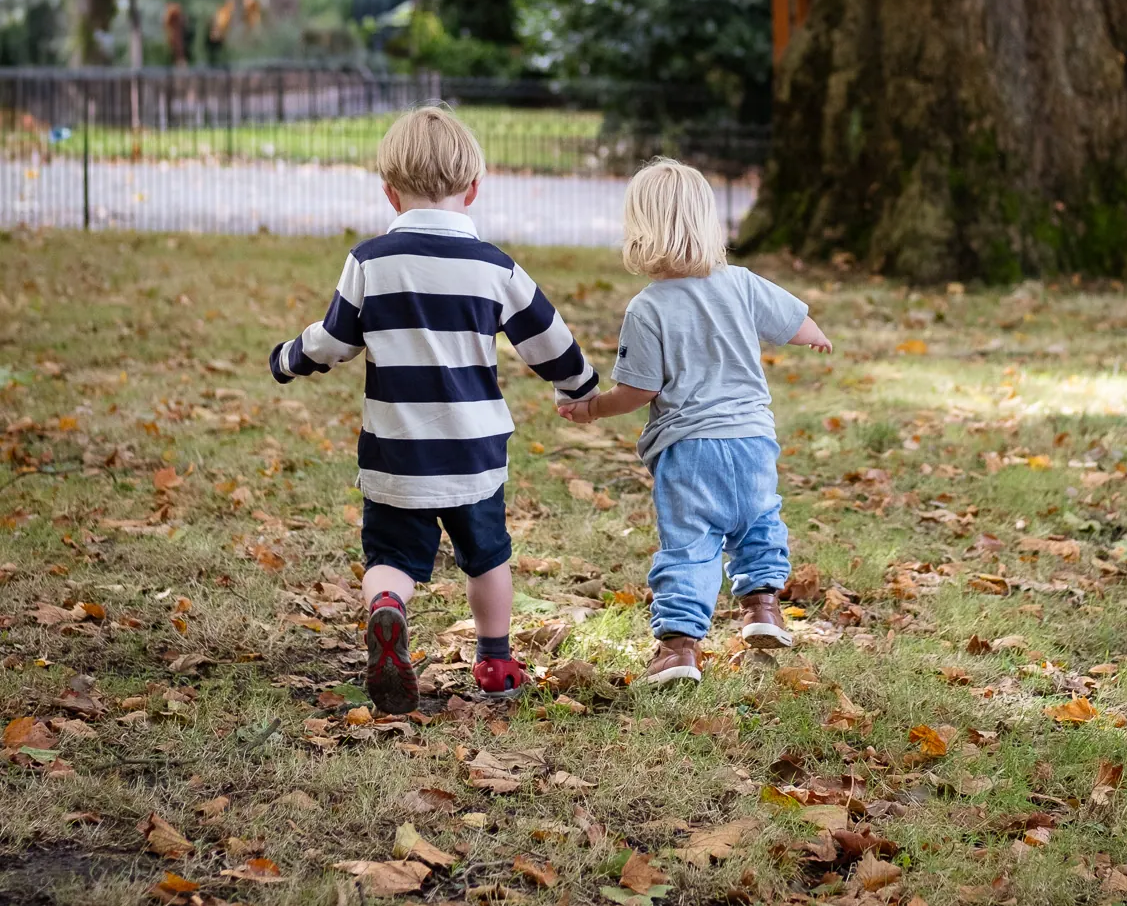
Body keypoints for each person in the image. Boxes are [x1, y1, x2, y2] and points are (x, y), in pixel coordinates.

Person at [268, 104, 597, 711]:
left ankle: (388, 608)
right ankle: (496, 661)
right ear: (474, 188)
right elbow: (549, 339)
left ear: (390, 194)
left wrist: (291, 357)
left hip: (397, 452)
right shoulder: (493, 267)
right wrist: (579, 387)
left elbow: (337, 340)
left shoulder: (370, 261)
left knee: (390, 556)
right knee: (488, 557)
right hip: (473, 453)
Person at [557, 157, 831, 685]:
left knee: (690, 542)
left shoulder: (648, 308)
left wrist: (591, 407)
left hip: (689, 449)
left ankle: (680, 647)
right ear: (708, 223)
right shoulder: (743, 284)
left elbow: (639, 391)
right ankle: (762, 607)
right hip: (753, 439)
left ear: (640, 230)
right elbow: (796, 321)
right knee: (758, 519)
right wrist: (814, 335)